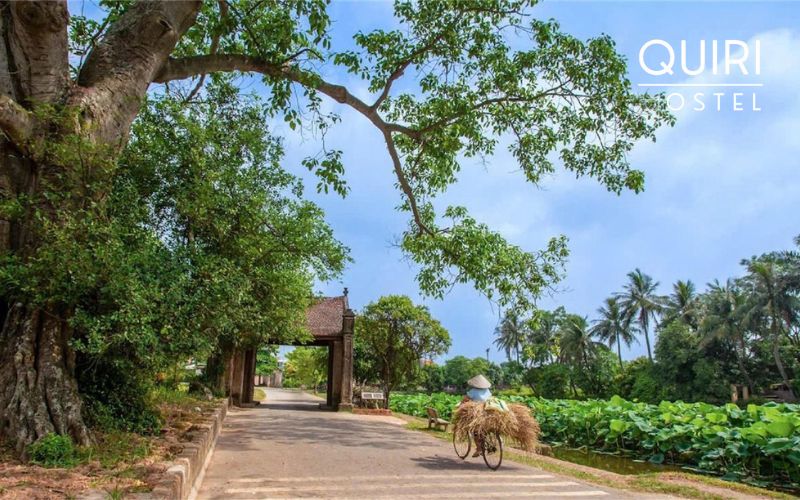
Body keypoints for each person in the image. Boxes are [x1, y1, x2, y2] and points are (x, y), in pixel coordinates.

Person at [461, 374, 492, 456]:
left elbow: (465, 400)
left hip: (478, 413)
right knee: (485, 430)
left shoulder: (473, 391)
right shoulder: (488, 391)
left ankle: (479, 449)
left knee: (475, 431)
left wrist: (461, 405)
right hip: (488, 412)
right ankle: (487, 443)